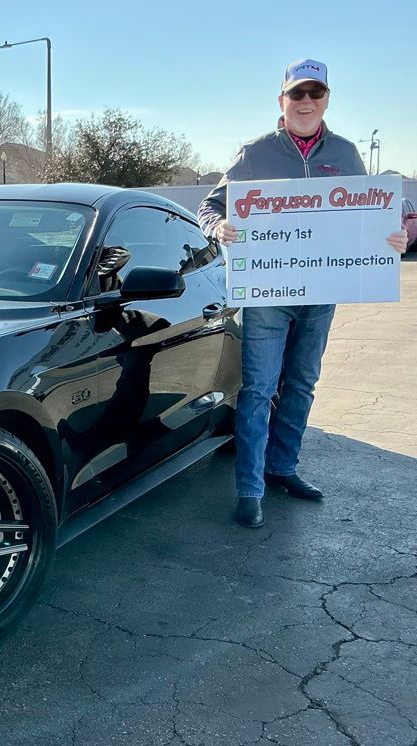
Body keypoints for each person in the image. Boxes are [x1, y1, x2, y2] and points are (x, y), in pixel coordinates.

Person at [198, 59, 409, 529]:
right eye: (297, 93)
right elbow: (210, 205)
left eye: (315, 92)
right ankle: (250, 488)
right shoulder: (255, 153)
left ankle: (283, 468)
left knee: (301, 384)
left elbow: (376, 212)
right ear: (282, 101)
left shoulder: (347, 153)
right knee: (257, 389)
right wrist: (221, 225)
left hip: (322, 292)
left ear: (327, 99)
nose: (306, 101)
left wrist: (394, 235)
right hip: (269, 292)